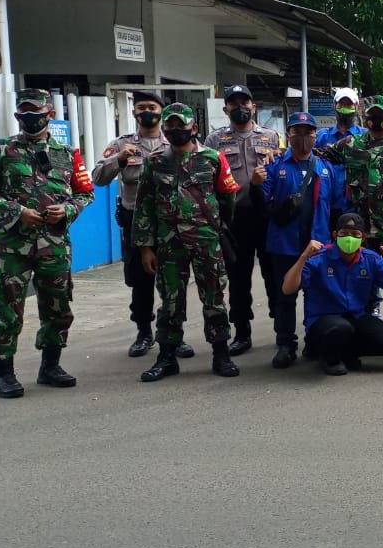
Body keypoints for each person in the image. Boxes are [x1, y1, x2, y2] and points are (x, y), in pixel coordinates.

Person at [0, 88, 95, 398]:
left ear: (49, 114)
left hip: (53, 243)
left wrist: (66, 210)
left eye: (36, 111)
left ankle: (50, 366)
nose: (30, 117)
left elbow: (85, 193)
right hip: (11, 245)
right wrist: (17, 212)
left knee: (58, 305)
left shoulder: (68, 153)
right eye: (25, 112)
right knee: (7, 308)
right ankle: (3, 373)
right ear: (17, 116)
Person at [133, 103, 242, 382]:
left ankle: (221, 353)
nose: (175, 131)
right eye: (170, 126)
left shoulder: (213, 158)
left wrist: (217, 227)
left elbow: (227, 198)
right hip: (169, 243)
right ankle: (167, 357)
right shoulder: (155, 161)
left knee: (214, 297)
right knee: (170, 301)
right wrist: (146, 247)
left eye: (181, 126)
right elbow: (143, 205)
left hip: (206, 239)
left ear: (193, 128)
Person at [317, 95, 383, 348]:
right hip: (361, 228)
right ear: (364, 118)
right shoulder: (350, 144)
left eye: (382, 116)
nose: (377, 121)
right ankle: (362, 330)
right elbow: (318, 155)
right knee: (359, 275)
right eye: (372, 116)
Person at [92, 90, 194, 359]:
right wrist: (119, 160)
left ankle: (175, 333)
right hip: (136, 222)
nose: (146, 111)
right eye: (141, 107)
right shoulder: (122, 143)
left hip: (172, 222)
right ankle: (144, 332)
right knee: (141, 281)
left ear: (161, 111)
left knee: (174, 281)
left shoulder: (174, 139)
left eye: (152, 106)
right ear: (135, 112)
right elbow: (98, 178)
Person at [260, 111, 347, 369]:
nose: (303, 138)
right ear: (288, 135)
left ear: (316, 135)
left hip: (317, 245)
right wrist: (256, 183)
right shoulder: (275, 165)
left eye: (308, 132)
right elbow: (263, 203)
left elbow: (336, 206)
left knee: (317, 296)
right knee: (284, 296)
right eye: (297, 132)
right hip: (284, 244)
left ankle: (314, 341)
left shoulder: (326, 168)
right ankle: (286, 344)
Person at [281, 212, 383, 375]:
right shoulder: (319, 258)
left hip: (356, 317)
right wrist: (304, 256)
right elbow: (288, 289)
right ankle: (329, 359)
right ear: (335, 235)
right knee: (340, 327)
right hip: (324, 321)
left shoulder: (370, 259)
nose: (349, 238)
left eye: (355, 234)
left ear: (362, 237)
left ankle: (346, 352)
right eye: (344, 234)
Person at [206, 84, 281, 357]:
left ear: (254, 107)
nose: (240, 107)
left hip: (265, 215)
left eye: (245, 102)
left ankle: (281, 330)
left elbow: (281, 171)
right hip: (235, 218)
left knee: (273, 274)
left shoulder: (272, 137)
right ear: (225, 109)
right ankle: (242, 332)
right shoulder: (214, 141)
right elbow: (207, 180)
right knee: (238, 278)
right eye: (234, 103)